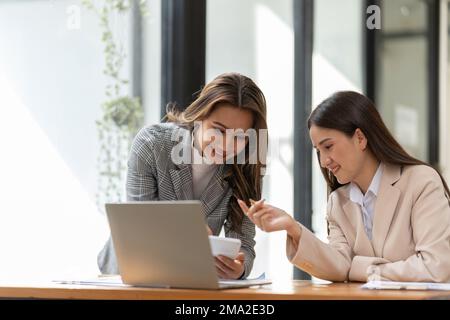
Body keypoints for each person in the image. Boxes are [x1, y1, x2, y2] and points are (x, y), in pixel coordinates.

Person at [238, 91, 450, 282]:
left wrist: (366, 270)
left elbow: (436, 267)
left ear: (360, 138)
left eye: (328, 146)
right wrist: (293, 228)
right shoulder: (337, 202)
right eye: (318, 150)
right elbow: (340, 267)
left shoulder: (421, 182)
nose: (323, 161)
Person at [98, 72, 268, 279]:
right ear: (199, 117)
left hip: (189, 279)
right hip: (127, 274)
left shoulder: (246, 166)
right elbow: (138, 226)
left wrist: (239, 269)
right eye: (219, 130)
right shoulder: (152, 144)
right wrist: (185, 232)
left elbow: (245, 245)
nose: (226, 145)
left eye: (240, 137)